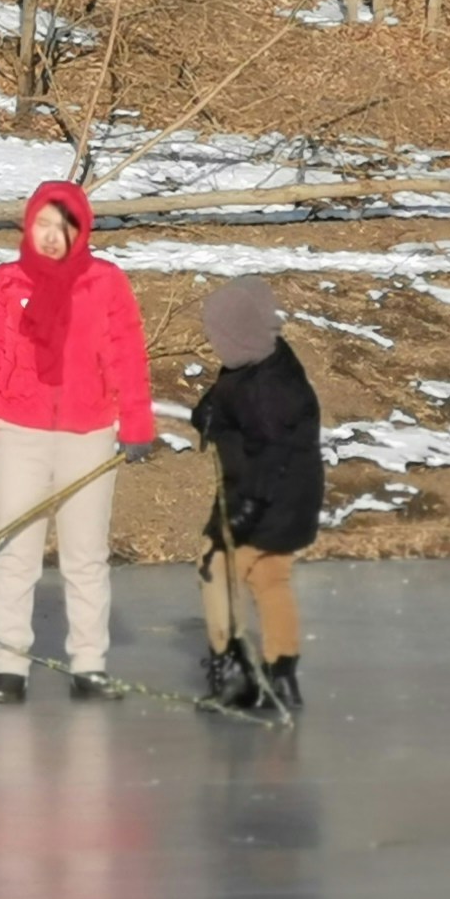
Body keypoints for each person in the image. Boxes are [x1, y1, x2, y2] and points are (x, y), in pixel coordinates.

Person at [0, 179, 159, 704]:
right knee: (15, 554)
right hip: (18, 432)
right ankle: (9, 666)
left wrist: (136, 423)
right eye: (43, 225)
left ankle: (89, 665)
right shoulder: (5, 283)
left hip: (88, 433)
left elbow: (127, 354)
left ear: (81, 230)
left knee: (85, 556)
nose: (52, 236)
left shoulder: (105, 282)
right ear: (29, 226)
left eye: (63, 226)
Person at [188, 277, 322, 712]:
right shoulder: (263, 358)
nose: (216, 344)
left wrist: (248, 510)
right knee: (269, 578)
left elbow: (273, 451)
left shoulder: (267, 386)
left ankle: (233, 670)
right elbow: (233, 396)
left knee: (216, 567)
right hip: (292, 496)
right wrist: (210, 408)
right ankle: (281, 675)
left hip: (263, 495)